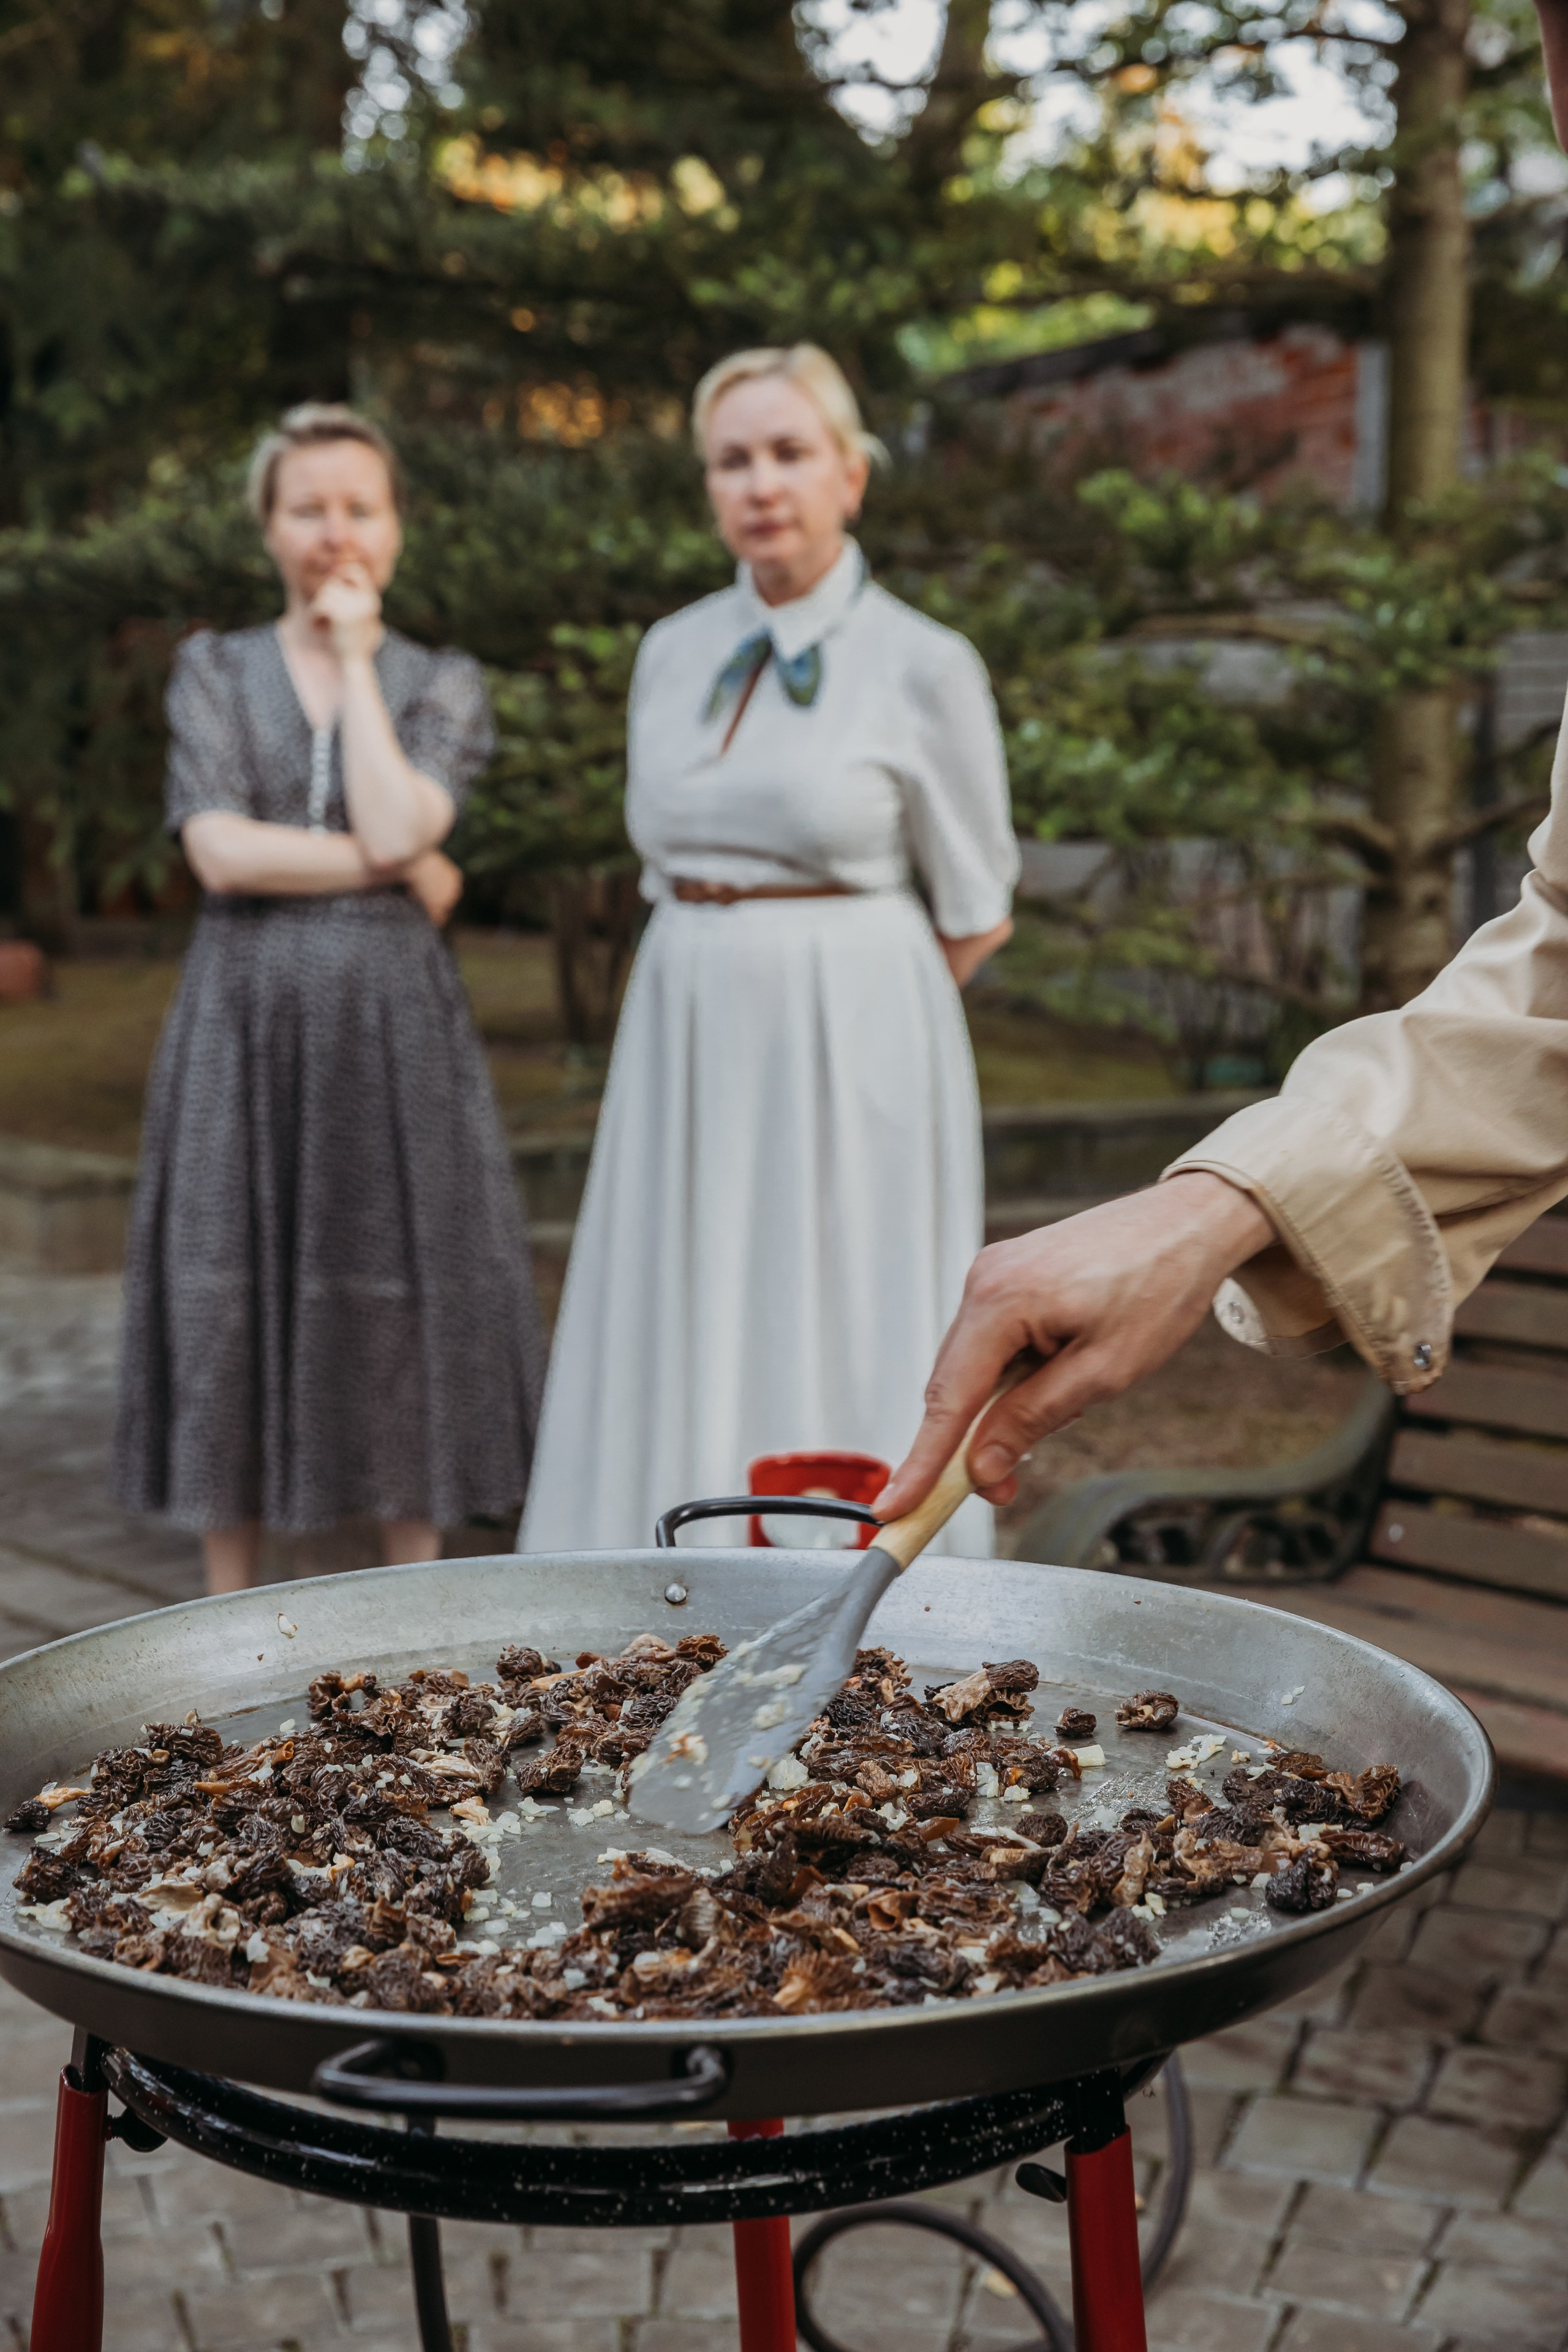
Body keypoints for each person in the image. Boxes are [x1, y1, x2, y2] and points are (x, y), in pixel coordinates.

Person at [519, 344, 1019, 1555]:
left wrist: (843, 1021)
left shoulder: (923, 662)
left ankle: (852, 1564)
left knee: (838, 1296)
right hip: (683, 1021)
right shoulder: (669, 652)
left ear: (848, 475)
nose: (760, 483)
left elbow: (976, 903)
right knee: (677, 1288)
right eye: (732, 459)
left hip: (853, 1041)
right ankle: (652, 1557)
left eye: (789, 453)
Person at [115, 403, 547, 1594]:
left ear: (397, 527)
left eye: (360, 506)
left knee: (403, 1281)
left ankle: (411, 1597)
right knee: (226, 1276)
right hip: (240, 1024)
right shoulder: (213, 667)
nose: (334, 531)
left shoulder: (436, 681)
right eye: (308, 508)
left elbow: (409, 815)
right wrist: (400, 867)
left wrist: (356, 665)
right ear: (268, 527)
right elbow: (219, 856)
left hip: (395, 1034)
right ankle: (224, 1605)